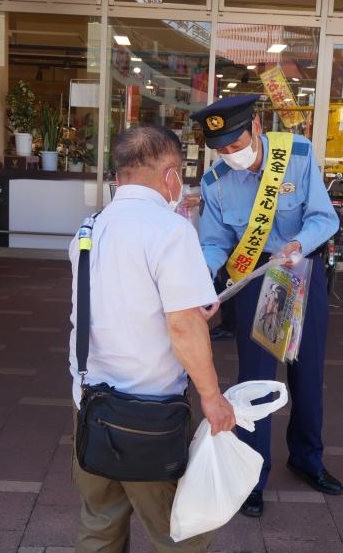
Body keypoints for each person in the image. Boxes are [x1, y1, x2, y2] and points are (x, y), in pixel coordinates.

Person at [68, 125, 236, 553]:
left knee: (100, 523)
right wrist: (212, 398)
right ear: (170, 175)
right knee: (180, 531)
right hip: (150, 414)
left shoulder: (89, 229)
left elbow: (117, 303)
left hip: (91, 405)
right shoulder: (170, 231)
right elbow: (183, 327)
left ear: (120, 173)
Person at [190, 95, 343, 519]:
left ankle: (308, 459)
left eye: (235, 144)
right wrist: (202, 282)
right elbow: (214, 241)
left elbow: (324, 217)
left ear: (256, 127)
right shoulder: (215, 181)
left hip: (300, 271)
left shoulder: (296, 154)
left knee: (307, 373)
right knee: (255, 381)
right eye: (221, 149)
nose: (230, 155)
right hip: (256, 280)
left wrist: (299, 243)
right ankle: (253, 476)